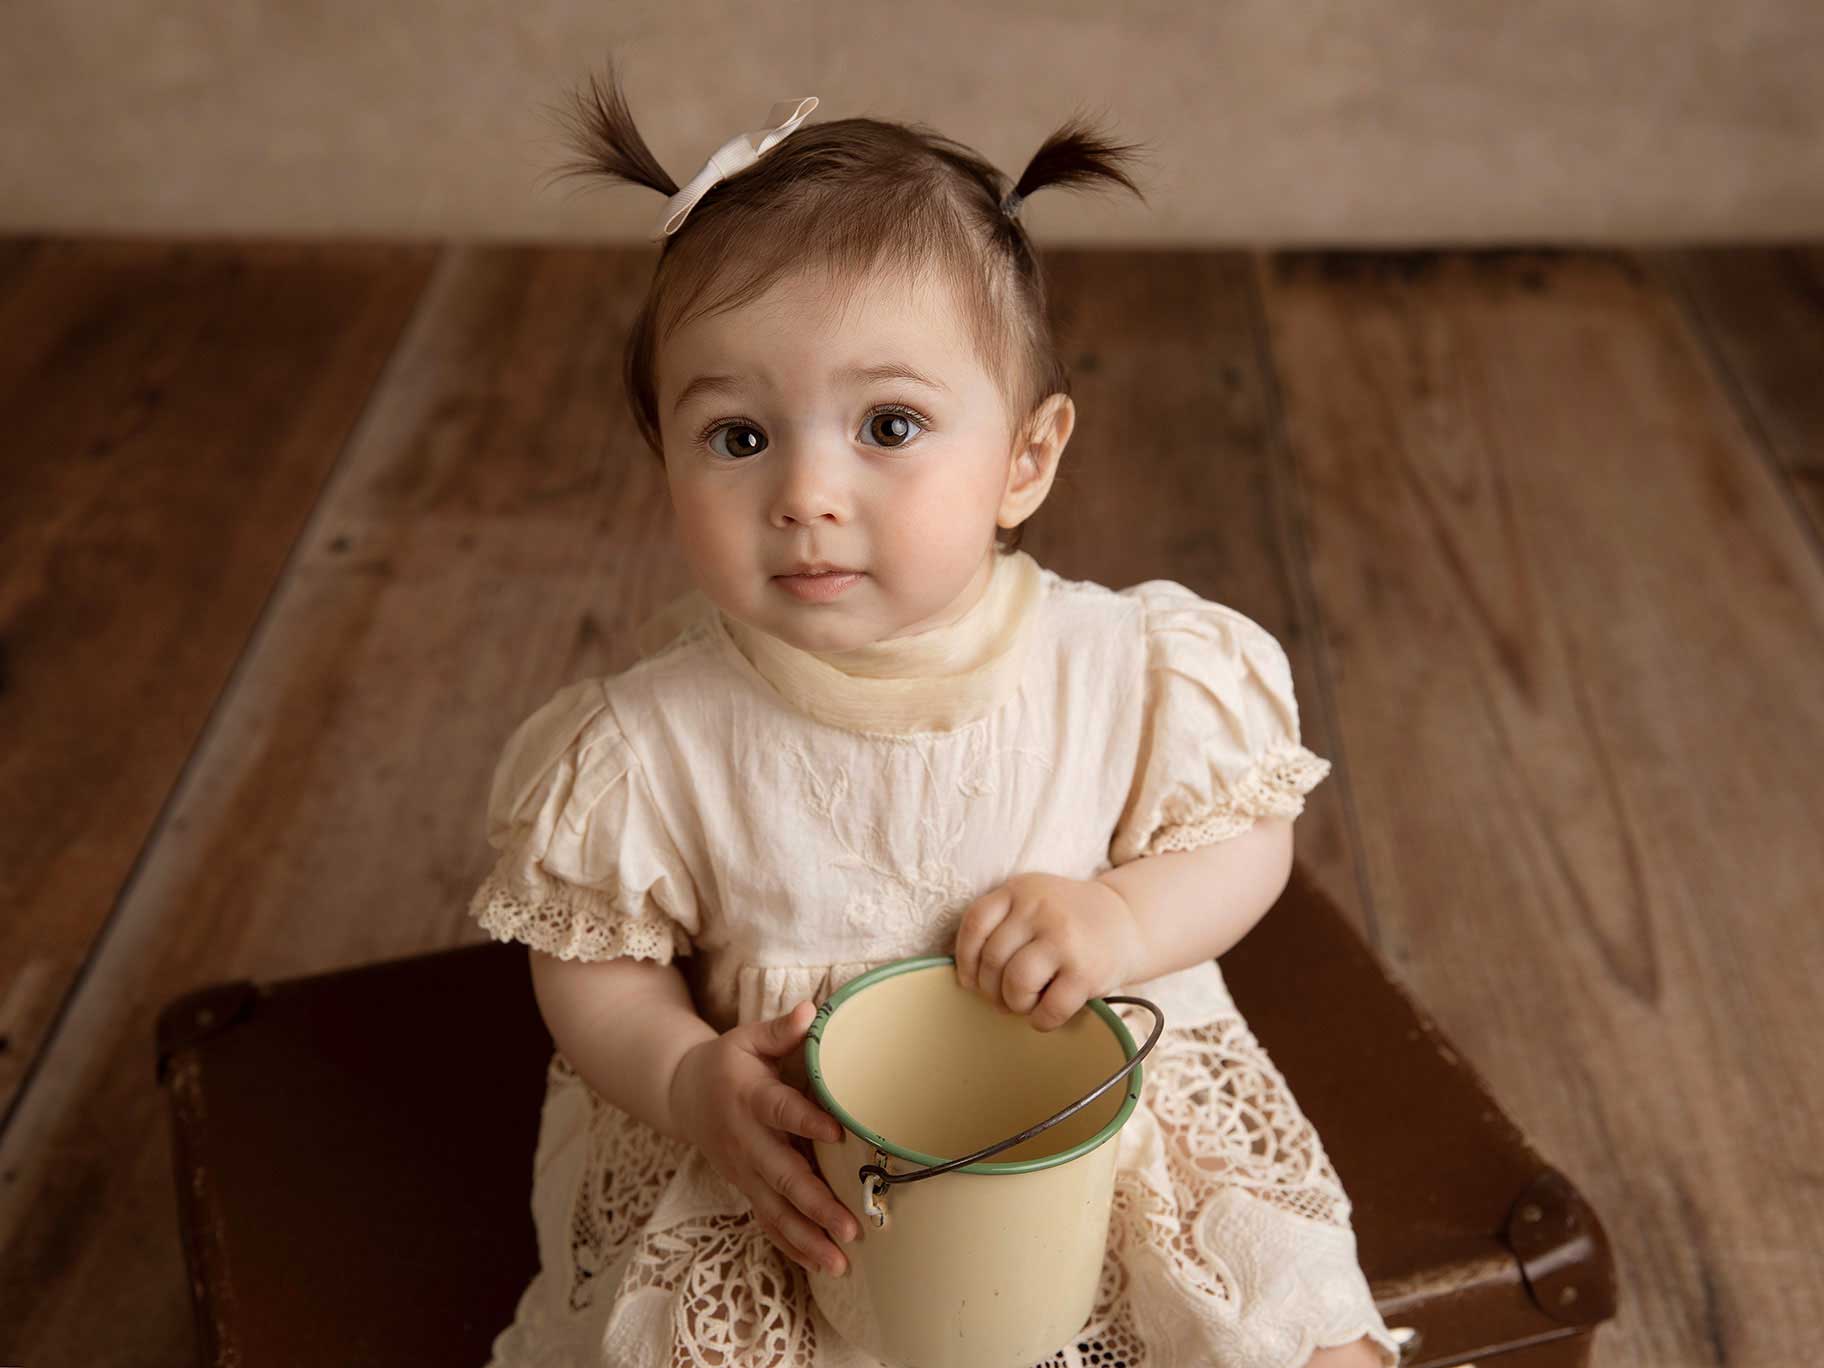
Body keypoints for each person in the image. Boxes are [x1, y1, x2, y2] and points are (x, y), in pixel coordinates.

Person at [469, 56, 1399, 1368]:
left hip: (1089, 1097)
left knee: (1270, 1312)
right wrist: (687, 1074)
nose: (806, 492)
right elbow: (590, 964)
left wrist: (1123, 917)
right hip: (793, 1144)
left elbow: (1247, 845)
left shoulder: (1126, 667)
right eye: (739, 437)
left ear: (1026, 457)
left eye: (889, 425)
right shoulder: (651, 744)